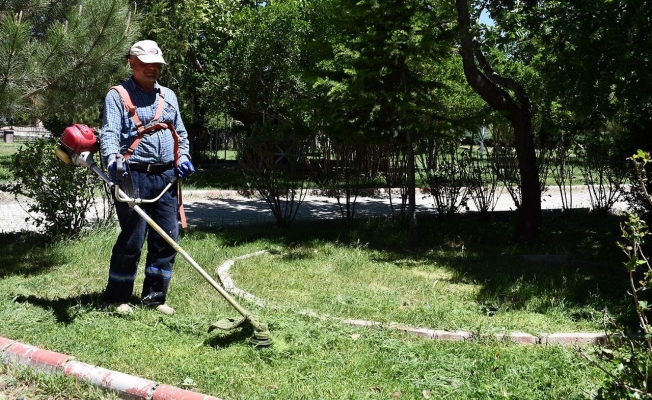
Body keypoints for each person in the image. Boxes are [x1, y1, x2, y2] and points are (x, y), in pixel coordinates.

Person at [99, 40, 195, 315]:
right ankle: (118, 296)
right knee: (132, 238)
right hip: (132, 176)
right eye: (145, 63)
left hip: (166, 177)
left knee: (166, 238)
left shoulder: (169, 96)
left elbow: (182, 133)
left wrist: (183, 157)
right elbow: (110, 134)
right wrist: (113, 161)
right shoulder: (117, 95)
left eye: (157, 65)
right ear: (132, 63)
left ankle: (155, 297)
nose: (152, 68)